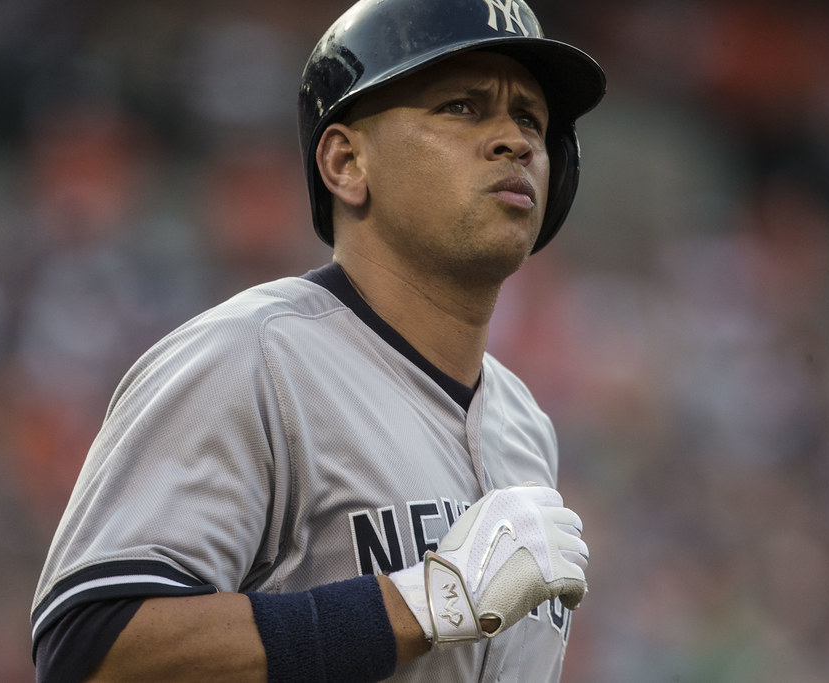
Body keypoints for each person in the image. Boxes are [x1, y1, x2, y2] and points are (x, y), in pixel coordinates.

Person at [30, 0, 606, 680]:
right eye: (462, 107)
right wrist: (423, 602)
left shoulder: (525, 425)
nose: (516, 140)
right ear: (345, 162)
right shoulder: (250, 356)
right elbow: (88, 646)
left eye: (530, 119)